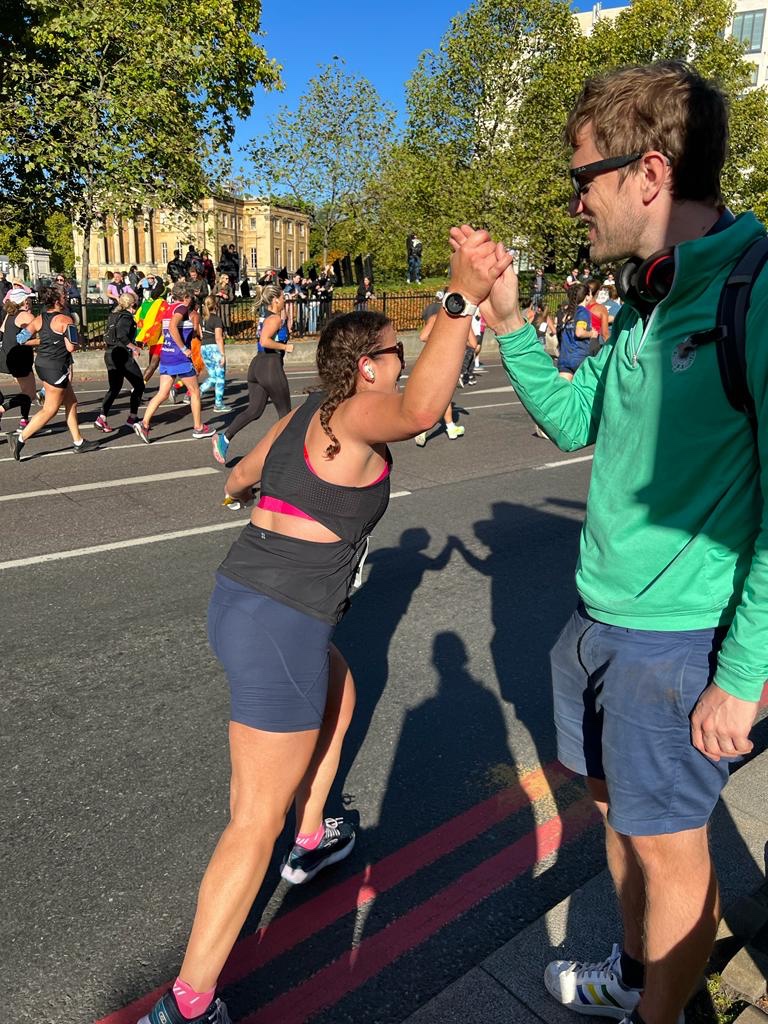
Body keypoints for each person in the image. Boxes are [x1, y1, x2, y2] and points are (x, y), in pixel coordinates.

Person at [452, 61, 767, 1024]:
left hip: (677, 643)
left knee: (671, 851)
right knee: (621, 823)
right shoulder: (648, 296)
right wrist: (507, 320)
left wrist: (744, 671)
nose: (575, 202)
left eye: (583, 178)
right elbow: (568, 416)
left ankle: (659, 1015)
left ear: (650, 172)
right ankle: (636, 978)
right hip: (599, 623)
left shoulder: (750, 293)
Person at [138, 228, 513, 1024]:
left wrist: (245, 494)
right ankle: (188, 1003)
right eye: (394, 349)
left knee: (340, 693)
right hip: (281, 619)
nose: (403, 356)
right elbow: (421, 411)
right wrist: (459, 298)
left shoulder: (316, 407)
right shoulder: (371, 411)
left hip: (241, 594)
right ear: (369, 364)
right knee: (250, 819)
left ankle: (312, 838)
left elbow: (240, 474)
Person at [6, 284, 99, 460]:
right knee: (50, 410)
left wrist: (44, 341)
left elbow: (21, 338)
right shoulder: (66, 320)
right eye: (64, 295)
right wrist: (73, 336)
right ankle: (19, 439)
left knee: (71, 402)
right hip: (56, 367)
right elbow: (71, 347)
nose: (67, 297)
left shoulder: (40, 318)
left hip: (42, 364)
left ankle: (78, 442)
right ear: (57, 301)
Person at [212, 284, 293, 464]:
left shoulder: (266, 315)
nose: (285, 301)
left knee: (254, 410)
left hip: (257, 366)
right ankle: (283, 457)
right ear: (275, 300)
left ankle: (224, 439)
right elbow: (265, 340)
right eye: (283, 298)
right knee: (286, 415)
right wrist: (285, 346)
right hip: (270, 366)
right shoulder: (274, 319)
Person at [132, 282, 214, 443]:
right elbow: (172, 327)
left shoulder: (168, 308)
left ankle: (144, 423)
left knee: (162, 393)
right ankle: (198, 427)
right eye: (190, 297)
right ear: (185, 297)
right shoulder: (181, 308)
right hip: (179, 357)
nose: (191, 300)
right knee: (195, 392)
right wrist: (184, 348)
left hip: (167, 355)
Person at [412, 292, 467, 446]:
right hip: (442, 361)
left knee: (443, 396)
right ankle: (424, 430)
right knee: (437, 397)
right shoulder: (448, 320)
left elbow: (423, 336)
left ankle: (450, 427)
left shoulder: (444, 320)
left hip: (440, 361)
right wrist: (445, 342)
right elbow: (473, 343)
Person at [94, 292, 145, 432]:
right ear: (133, 304)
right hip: (121, 355)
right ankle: (132, 417)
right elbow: (122, 335)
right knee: (139, 384)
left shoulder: (114, 315)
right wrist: (133, 347)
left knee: (115, 388)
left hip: (110, 353)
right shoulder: (126, 317)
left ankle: (102, 417)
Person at [1, 287, 38, 425]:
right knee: (30, 394)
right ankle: (2, 408)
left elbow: (3, 329)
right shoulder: (27, 316)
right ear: (24, 301)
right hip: (21, 358)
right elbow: (34, 337)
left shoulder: (10, 315)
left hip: (11, 356)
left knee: (25, 392)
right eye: (28, 298)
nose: (30, 300)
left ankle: (24, 420)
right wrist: (43, 341)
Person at [198, 295, 230, 412]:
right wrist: (222, 354)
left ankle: (197, 392)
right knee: (220, 377)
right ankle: (218, 403)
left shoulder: (202, 319)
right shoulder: (216, 319)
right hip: (214, 348)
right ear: (216, 305)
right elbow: (218, 338)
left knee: (213, 376)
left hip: (204, 348)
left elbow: (201, 335)